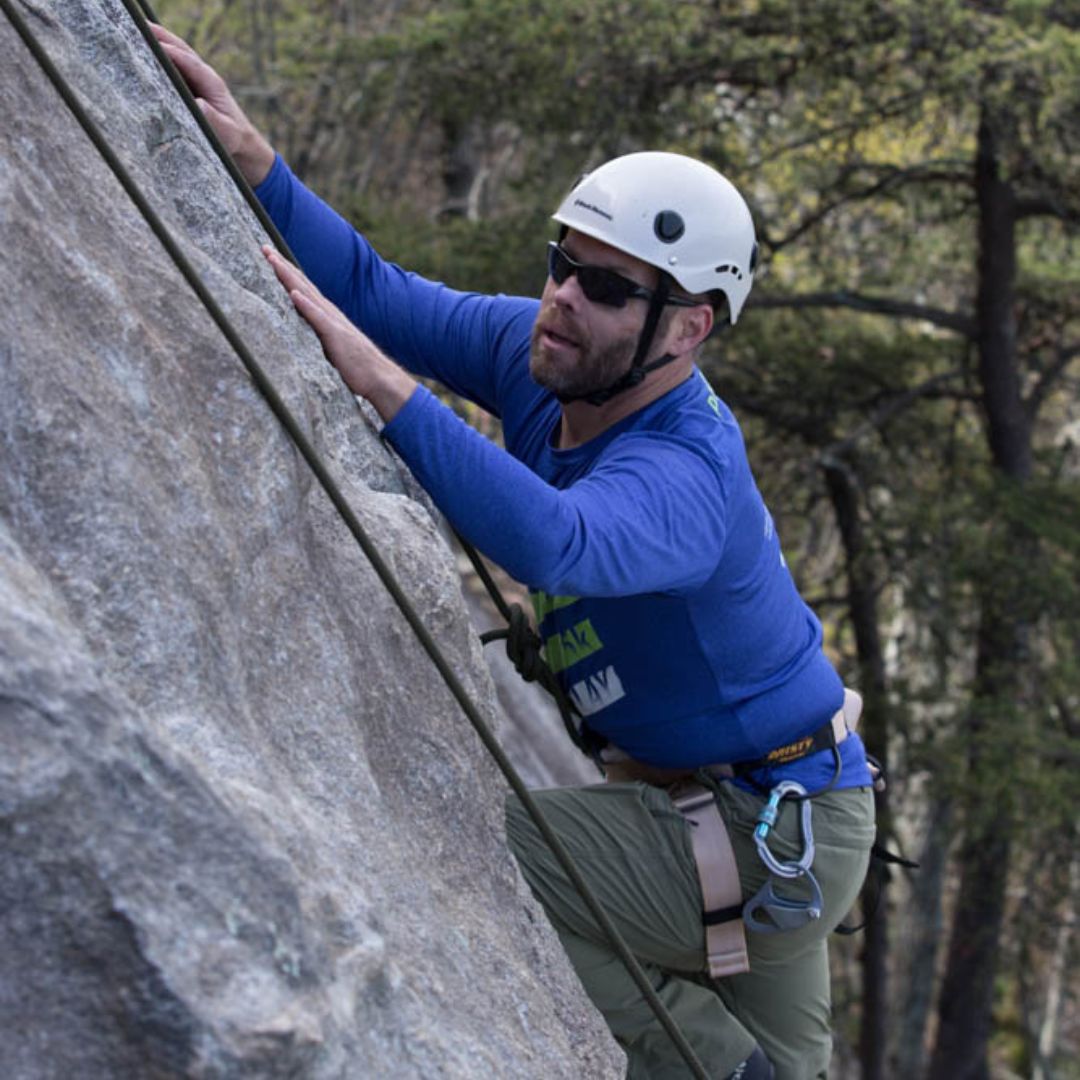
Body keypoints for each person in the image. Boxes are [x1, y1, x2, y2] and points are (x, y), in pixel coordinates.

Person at [154, 25, 877, 1080]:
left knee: (506, 856)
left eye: (609, 289)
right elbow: (375, 291)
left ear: (690, 329)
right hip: (733, 809)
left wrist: (389, 392)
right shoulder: (544, 359)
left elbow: (558, 536)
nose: (564, 300)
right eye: (563, 265)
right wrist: (259, 163)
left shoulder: (689, 471)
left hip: (770, 826)